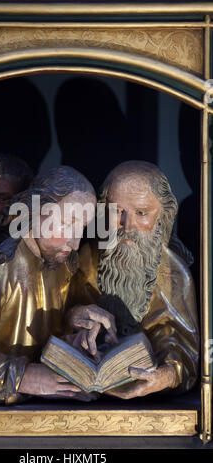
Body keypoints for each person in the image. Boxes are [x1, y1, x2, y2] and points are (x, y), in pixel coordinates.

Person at [0, 166, 107, 405]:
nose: (75, 242)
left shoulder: (59, 261)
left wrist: (73, 321)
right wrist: (23, 377)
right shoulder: (2, 267)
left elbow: (42, 331)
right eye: (67, 224)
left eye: (82, 229)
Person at [66, 161, 199, 398]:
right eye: (117, 211)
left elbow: (186, 351)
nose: (127, 226)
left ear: (163, 216)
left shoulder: (174, 274)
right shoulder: (84, 259)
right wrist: (73, 316)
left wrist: (166, 375)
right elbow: (53, 322)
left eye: (141, 213)